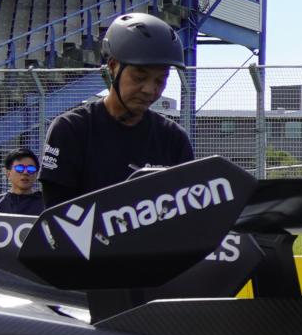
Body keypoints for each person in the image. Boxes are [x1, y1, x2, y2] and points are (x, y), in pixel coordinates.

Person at [38, 11, 193, 207]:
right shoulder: (71, 130)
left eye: (160, 80)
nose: (150, 90)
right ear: (112, 66)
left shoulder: (173, 138)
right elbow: (58, 216)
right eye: (139, 77)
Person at [0, 148, 46, 216]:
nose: (25, 172)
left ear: (36, 174)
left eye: (31, 169)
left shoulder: (47, 206)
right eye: (19, 168)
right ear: (8, 173)